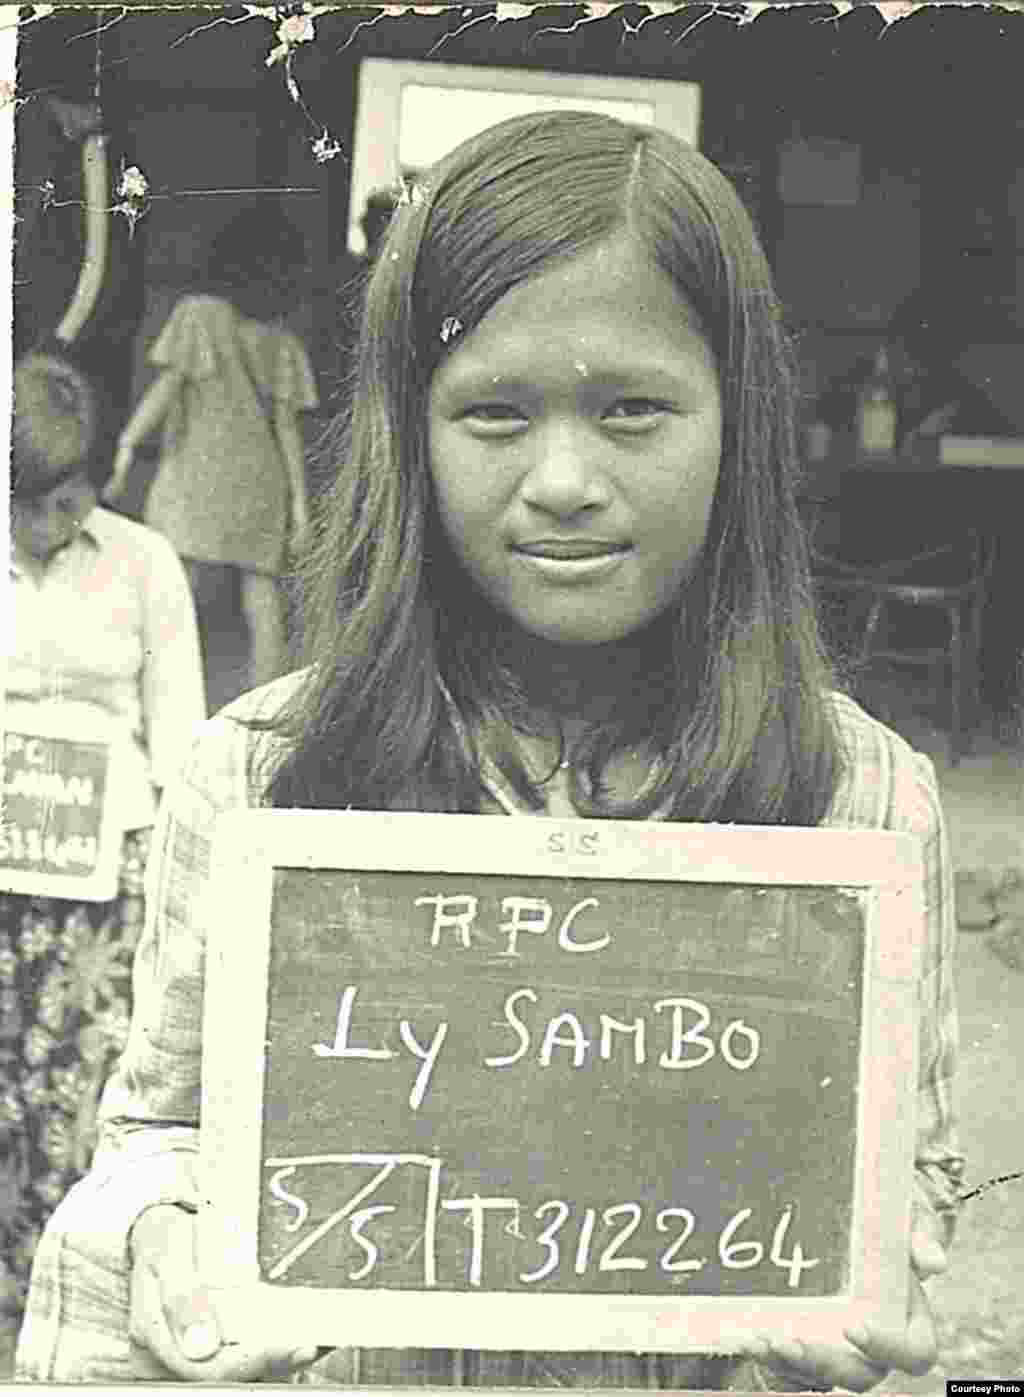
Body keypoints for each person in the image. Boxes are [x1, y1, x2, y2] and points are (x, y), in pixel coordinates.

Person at [16, 112, 963, 1390]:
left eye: (634, 408)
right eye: (494, 412)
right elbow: (159, 1128)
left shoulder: (857, 793)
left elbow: (914, 1160)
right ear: (410, 432)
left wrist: (872, 1261)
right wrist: (164, 1231)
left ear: (737, 423)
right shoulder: (260, 771)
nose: (563, 476)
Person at [2, 350, 205, 1324]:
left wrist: (169, 852)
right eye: (40, 503)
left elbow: (177, 719)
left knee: (80, 1069)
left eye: (77, 499)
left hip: (101, 860)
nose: (60, 523)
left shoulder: (141, 560)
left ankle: (59, 1276)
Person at [105, 206, 319, 688]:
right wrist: (300, 510)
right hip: (260, 485)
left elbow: (166, 388)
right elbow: (288, 430)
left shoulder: (197, 315)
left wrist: (126, 441)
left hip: (197, 475)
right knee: (261, 600)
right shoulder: (284, 345)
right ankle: (270, 704)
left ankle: (150, 687)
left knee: (175, 587)